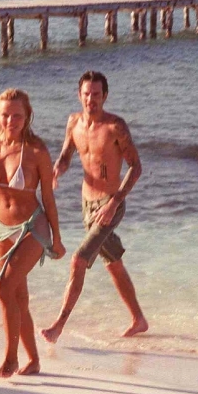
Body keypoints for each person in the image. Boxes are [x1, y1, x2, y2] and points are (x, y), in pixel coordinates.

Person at [0, 88, 66, 378]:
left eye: (17, 115)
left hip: (33, 226)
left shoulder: (36, 151)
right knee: (17, 298)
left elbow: (48, 197)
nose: (11, 120)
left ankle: (10, 358)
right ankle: (33, 360)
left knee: (3, 289)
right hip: (0, 228)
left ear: (27, 116)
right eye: (6, 115)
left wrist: (57, 238)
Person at [40, 71, 148, 344]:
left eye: (97, 94)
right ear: (80, 95)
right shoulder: (73, 122)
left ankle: (58, 325)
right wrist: (58, 169)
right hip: (87, 203)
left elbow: (136, 167)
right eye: (87, 94)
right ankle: (138, 319)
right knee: (113, 263)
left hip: (110, 204)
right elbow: (67, 154)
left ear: (105, 96)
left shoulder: (115, 126)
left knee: (78, 259)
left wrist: (115, 202)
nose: (91, 99)